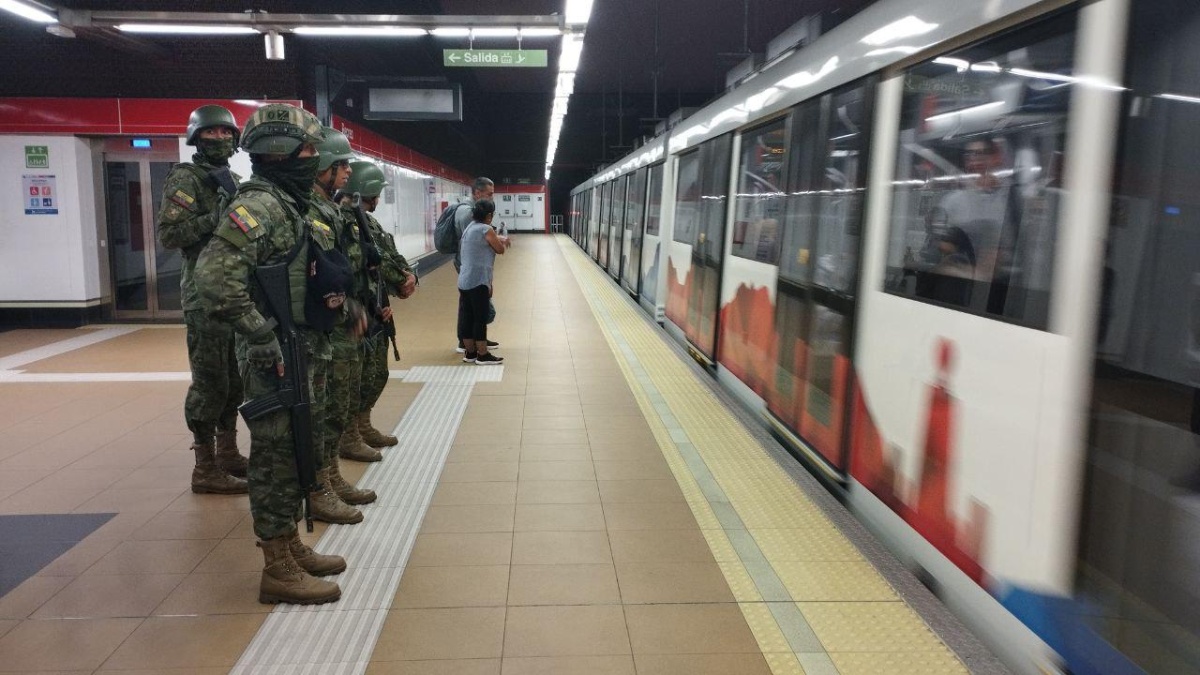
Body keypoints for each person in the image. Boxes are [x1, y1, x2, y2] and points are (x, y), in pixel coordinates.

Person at [194, 103, 357, 605]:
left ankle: (289, 543)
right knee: (274, 457)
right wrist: (259, 334)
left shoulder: (287, 202)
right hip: (275, 355)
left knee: (297, 448)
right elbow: (213, 280)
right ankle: (277, 567)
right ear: (284, 154)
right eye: (309, 150)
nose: (315, 158)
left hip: (298, 346)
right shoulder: (259, 207)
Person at [157, 105, 248, 495]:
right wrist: (218, 217)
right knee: (210, 382)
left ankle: (228, 452)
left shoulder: (234, 178)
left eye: (226, 133)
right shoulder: (186, 179)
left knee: (234, 380)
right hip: (202, 296)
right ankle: (204, 466)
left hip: (234, 292)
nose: (221, 139)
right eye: (211, 133)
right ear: (197, 138)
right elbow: (170, 234)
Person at [308, 128, 378, 521]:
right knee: (325, 409)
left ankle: (330, 477)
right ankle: (322, 485)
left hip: (337, 318)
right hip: (322, 326)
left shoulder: (330, 209)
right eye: (342, 165)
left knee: (335, 405)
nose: (348, 172)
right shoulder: (307, 210)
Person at [338, 160, 417, 449]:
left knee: (376, 374)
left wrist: (409, 276)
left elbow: (389, 253)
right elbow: (369, 260)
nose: (379, 198)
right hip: (353, 310)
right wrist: (400, 278)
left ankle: (363, 425)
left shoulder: (368, 221)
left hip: (375, 306)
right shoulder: (344, 221)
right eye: (376, 192)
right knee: (356, 377)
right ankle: (350, 435)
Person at [458, 198, 509, 364]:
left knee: (467, 317)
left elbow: (481, 244)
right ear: (488, 215)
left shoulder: (469, 228)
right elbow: (500, 249)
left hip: (464, 280)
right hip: (478, 280)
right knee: (480, 318)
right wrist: (502, 240)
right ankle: (482, 354)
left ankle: (470, 353)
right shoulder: (486, 229)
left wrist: (497, 237)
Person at [453, 177, 500, 354]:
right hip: (475, 273)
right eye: (489, 195)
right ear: (477, 193)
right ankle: (477, 350)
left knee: (469, 311)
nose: (491, 198)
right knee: (478, 313)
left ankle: (470, 347)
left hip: (466, 271)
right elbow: (495, 248)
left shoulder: (470, 218)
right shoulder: (477, 222)